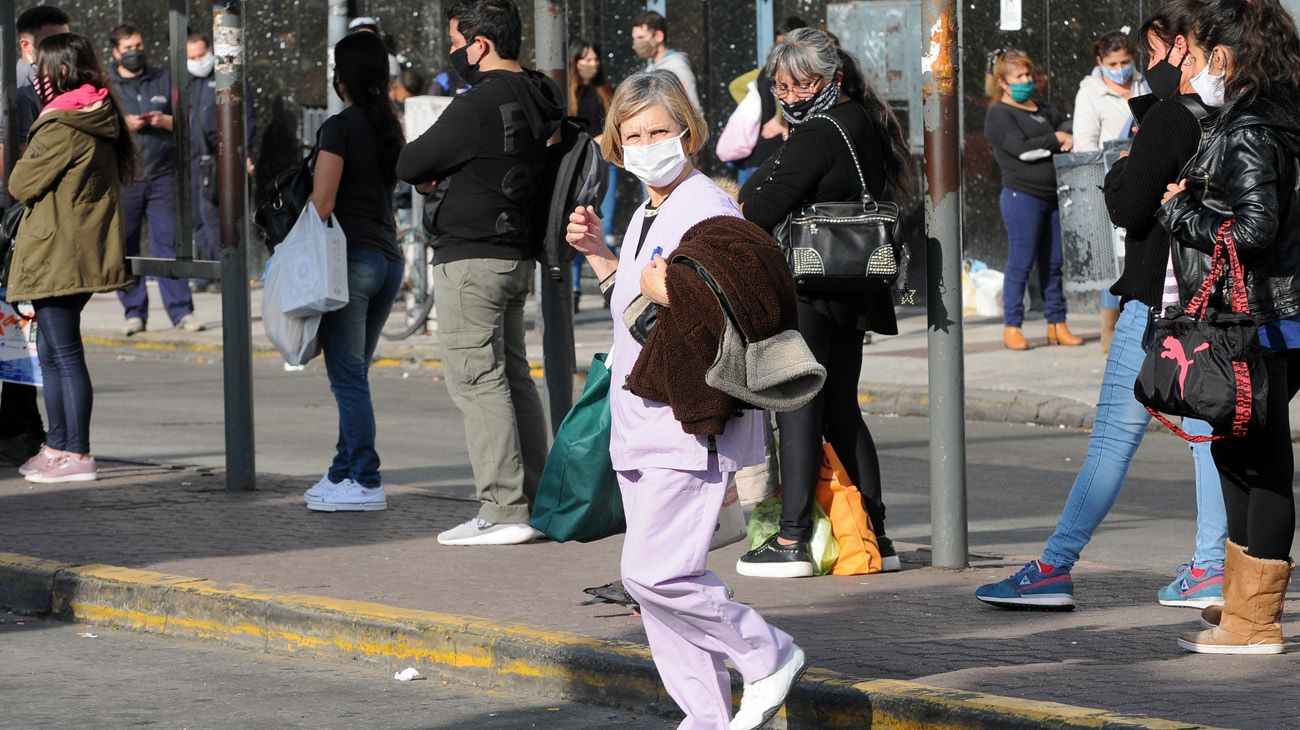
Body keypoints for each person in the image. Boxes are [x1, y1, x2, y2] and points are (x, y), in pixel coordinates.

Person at [565, 69, 804, 730]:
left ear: (688, 134)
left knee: (652, 576)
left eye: (658, 131)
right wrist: (601, 257)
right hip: (640, 423)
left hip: (684, 424)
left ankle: (766, 653)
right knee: (661, 591)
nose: (645, 144)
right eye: (633, 134)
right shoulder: (651, 208)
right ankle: (704, 716)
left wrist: (668, 288)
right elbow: (642, 304)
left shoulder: (706, 207)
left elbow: (738, 309)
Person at [975, 0, 1229, 611]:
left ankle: (1055, 565)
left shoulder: (1174, 117)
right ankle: (1211, 567)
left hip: (1156, 298)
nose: (1145, 65)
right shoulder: (1243, 113)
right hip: (1214, 303)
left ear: (1184, 49)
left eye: (1154, 52)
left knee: (1114, 436)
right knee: (1207, 437)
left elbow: (1128, 206)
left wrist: (1123, 166)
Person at [734, 28, 908, 577]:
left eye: (800, 83)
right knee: (841, 409)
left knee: (800, 405)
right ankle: (875, 535)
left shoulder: (816, 133)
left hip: (810, 286)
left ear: (829, 78)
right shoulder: (864, 119)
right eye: (781, 85)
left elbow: (758, 206)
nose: (789, 94)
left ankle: (791, 540)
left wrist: (775, 163)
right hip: (855, 284)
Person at [1157, 0, 1300, 655]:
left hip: (1262, 318)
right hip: (1271, 315)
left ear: (1225, 55)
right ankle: (1243, 601)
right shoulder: (1278, 113)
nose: (1186, 63)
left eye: (1195, 52)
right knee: (1237, 451)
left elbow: (1252, 229)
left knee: (1257, 461)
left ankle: (1255, 621)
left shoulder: (1249, 127)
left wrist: (1181, 211)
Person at [396, 0, 562, 546]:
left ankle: (503, 508)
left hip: (470, 259)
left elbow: (411, 163)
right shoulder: (540, 95)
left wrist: (436, 177)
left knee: (476, 380)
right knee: (511, 377)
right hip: (516, 254)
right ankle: (533, 501)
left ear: (480, 44)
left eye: (455, 42)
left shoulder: (475, 104)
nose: (452, 53)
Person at [6, 32, 134, 483]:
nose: (36, 76)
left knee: (62, 353)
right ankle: (58, 444)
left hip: (59, 250)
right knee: (53, 351)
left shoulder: (62, 123)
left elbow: (20, 184)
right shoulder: (94, 111)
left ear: (60, 70)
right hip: (75, 248)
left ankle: (75, 451)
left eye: (42, 67)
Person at [300, 31, 406, 513]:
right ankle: (342, 470)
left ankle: (365, 478)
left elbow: (322, 204)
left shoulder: (339, 127)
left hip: (352, 263)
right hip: (388, 260)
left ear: (340, 76)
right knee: (355, 373)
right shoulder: (388, 125)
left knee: (347, 378)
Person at [0, 5, 69, 469]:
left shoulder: (37, 89)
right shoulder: (20, 91)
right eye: (54, 42)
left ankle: (18, 424)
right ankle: (19, 428)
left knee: (17, 332)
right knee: (18, 334)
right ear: (27, 46)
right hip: (12, 223)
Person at [984, 49, 1082, 351]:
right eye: (1019, 76)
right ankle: (1012, 326)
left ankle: (1057, 323)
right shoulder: (999, 114)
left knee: (1053, 264)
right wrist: (1056, 140)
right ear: (1003, 82)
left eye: (1028, 75)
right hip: (1021, 197)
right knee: (1021, 263)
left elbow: (1067, 123)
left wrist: (1062, 133)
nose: (1027, 80)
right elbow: (1022, 149)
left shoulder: (1041, 107)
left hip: (1052, 197)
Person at [108, 23, 202, 336]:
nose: (135, 52)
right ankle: (134, 312)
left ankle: (181, 312)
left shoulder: (163, 78)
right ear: (115, 52)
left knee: (170, 245)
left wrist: (164, 121)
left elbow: (188, 122)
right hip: (126, 177)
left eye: (138, 46)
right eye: (128, 48)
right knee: (127, 245)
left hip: (163, 176)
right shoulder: (106, 84)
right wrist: (123, 125)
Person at [1074, 30, 1144, 353]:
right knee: (1112, 259)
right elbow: (1084, 144)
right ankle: (1109, 331)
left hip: (1144, 178)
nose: (1120, 68)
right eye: (1113, 63)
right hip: (1109, 180)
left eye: (1125, 61)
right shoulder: (1091, 92)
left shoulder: (1143, 86)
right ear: (1100, 61)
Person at [185, 31, 255, 293]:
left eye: (201, 55)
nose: (197, 61)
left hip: (220, 156)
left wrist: (243, 152)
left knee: (214, 216)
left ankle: (220, 271)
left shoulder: (227, 77)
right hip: (192, 157)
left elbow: (246, 116)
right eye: (191, 57)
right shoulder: (187, 81)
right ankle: (204, 271)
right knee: (197, 219)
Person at [717, 16, 807, 185]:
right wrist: (779, 119)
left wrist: (755, 108)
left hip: (752, 157)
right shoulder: (787, 72)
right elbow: (785, 98)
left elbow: (735, 86)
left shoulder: (764, 72)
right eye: (781, 45)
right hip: (770, 156)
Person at [567, 37, 614, 312]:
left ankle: (610, 285)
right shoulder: (567, 92)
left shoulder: (604, 91)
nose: (592, 64)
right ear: (574, 62)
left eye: (595, 59)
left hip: (603, 165)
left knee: (602, 229)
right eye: (586, 59)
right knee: (577, 230)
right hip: (577, 168)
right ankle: (573, 289)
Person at [630, 10, 701, 113]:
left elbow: (694, 109)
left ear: (658, 36)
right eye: (634, 38)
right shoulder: (651, 68)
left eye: (641, 37)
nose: (636, 44)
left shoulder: (677, 67)